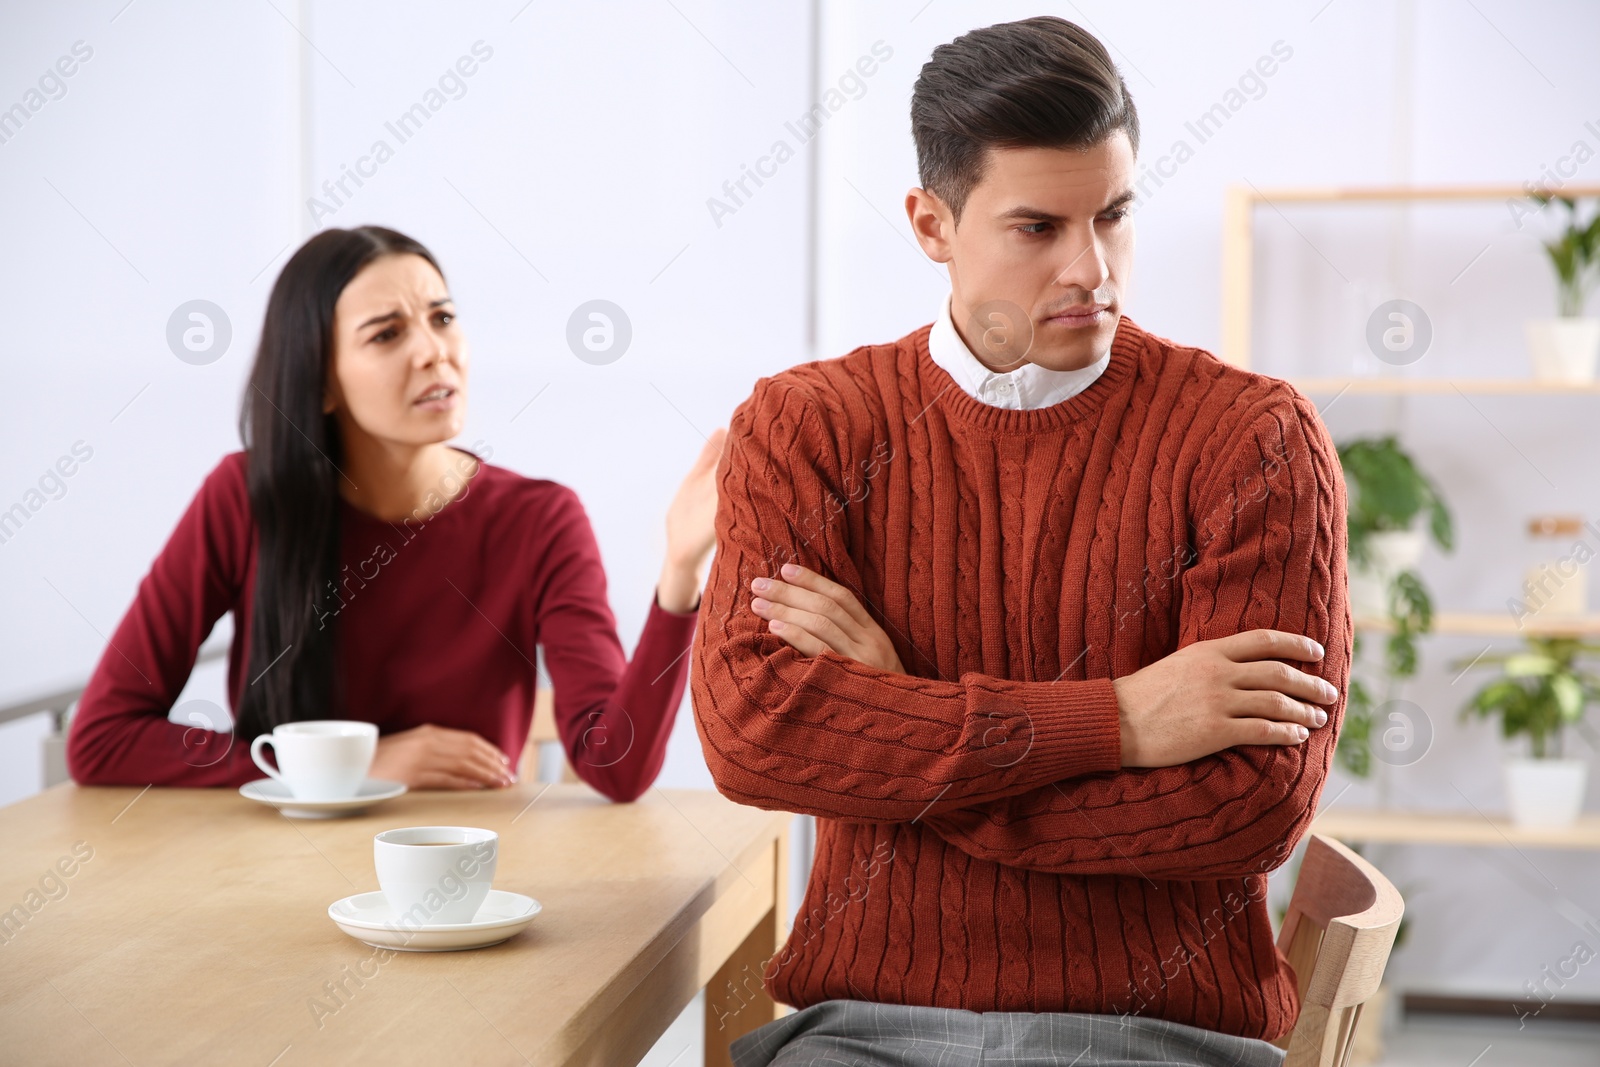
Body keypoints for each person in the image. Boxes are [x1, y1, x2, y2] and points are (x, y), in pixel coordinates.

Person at [691, 16, 1350, 1067]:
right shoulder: (807, 425)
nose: (1092, 268)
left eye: (1115, 215)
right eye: (1038, 227)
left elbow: (1249, 806)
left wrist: (903, 719)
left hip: (1152, 1035)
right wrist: (1120, 720)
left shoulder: (1253, 437)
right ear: (930, 222)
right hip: (862, 1030)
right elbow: (753, 733)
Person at [68, 225, 722, 802]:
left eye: (442, 318)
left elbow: (617, 766)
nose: (434, 351)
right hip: (271, 872)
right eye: (387, 333)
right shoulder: (243, 496)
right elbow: (102, 737)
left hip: (464, 886)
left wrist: (680, 570)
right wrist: (350, 767)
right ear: (322, 381)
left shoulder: (540, 519)